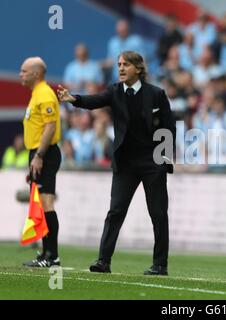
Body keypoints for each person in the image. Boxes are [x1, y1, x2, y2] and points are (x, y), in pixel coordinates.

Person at [57, 51, 176, 275]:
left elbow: (169, 128)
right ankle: (103, 261)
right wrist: (75, 99)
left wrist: (164, 161)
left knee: (158, 213)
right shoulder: (115, 91)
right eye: (119, 64)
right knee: (115, 212)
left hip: (153, 163)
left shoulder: (157, 94)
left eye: (126, 65)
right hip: (126, 163)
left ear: (138, 69)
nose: (121, 68)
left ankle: (160, 264)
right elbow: (95, 101)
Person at [20, 57, 62, 267]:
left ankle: (52, 255)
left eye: (24, 71)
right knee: (40, 203)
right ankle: (46, 253)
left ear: (36, 73)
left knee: (46, 202)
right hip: (37, 153)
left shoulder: (44, 93)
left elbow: (50, 127)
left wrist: (39, 156)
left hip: (45, 153)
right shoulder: (37, 94)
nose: (21, 74)